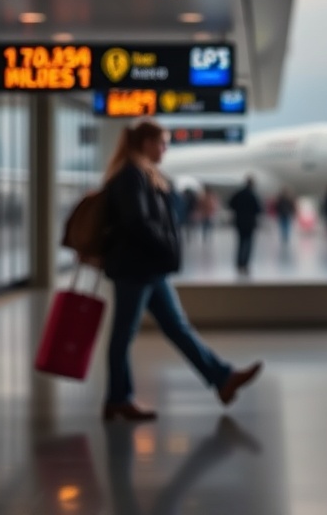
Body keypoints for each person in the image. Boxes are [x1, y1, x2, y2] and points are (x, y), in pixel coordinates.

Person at [102, 120, 262, 422]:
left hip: (149, 267)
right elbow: (136, 221)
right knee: (124, 334)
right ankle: (118, 399)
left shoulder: (144, 173)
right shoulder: (131, 175)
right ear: (146, 143)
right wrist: (165, 244)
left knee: (176, 327)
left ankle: (222, 378)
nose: (165, 149)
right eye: (162, 143)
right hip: (136, 268)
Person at [227, 176, 263, 275]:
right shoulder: (252, 195)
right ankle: (245, 263)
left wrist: (239, 210)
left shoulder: (239, 194)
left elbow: (230, 204)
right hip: (250, 222)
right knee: (248, 243)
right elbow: (258, 209)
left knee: (240, 242)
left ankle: (239, 262)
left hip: (239, 221)